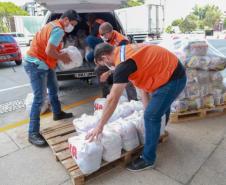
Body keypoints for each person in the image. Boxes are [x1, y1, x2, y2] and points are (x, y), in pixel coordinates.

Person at [86, 43, 187, 171]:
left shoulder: (123, 65)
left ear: (105, 57)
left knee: (151, 116)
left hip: (173, 78)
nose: (108, 67)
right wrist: (147, 110)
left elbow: (112, 99)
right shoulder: (124, 52)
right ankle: (160, 131)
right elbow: (141, 86)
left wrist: (99, 126)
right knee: (154, 111)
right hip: (167, 73)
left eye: (104, 64)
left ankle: (148, 159)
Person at [24, 9, 80, 147]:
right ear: (66, 19)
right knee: (39, 99)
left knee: (54, 89)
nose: (71, 27)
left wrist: (59, 53)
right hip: (36, 65)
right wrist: (63, 57)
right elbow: (49, 50)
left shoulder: (53, 24)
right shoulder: (58, 30)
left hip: (45, 64)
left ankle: (57, 113)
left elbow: (49, 48)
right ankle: (32, 133)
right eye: (72, 24)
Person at [96, 22, 137, 100]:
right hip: (113, 61)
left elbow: (123, 63)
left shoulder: (122, 41)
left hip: (124, 63)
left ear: (109, 33)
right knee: (98, 70)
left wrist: (108, 73)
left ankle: (133, 100)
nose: (101, 37)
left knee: (126, 78)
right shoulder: (108, 38)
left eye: (103, 35)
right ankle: (106, 96)